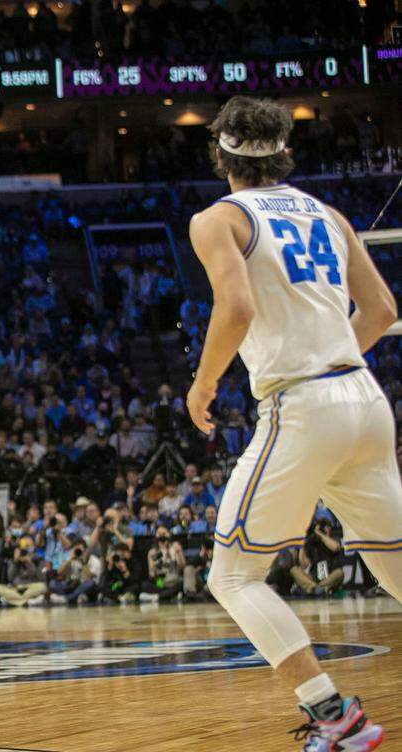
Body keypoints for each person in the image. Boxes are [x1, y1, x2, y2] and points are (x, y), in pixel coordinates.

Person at [187, 96, 398, 748]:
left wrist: (204, 381)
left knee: (232, 576)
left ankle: (335, 718)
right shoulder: (329, 214)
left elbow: (238, 308)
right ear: (284, 153)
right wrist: (329, 361)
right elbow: (383, 310)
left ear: (219, 153)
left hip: (303, 408)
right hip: (364, 399)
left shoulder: (217, 218)